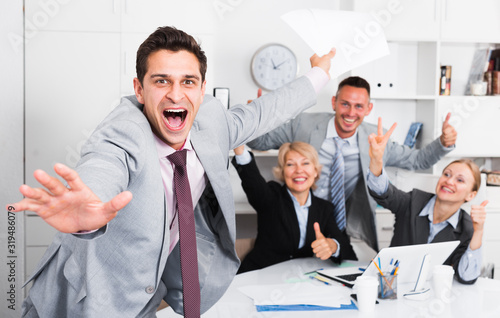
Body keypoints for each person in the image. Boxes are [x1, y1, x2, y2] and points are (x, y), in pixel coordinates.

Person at [6, 26, 336, 317]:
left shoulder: (211, 121)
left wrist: (319, 73)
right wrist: (90, 204)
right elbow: (103, 164)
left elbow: (265, 112)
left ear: (202, 88)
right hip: (84, 299)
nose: (176, 94)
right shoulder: (121, 133)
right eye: (161, 81)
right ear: (139, 89)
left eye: (187, 82)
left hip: (146, 298)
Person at [247, 76, 458, 253]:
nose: (350, 113)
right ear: (334, 102)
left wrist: (443, 143)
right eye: (345, 104)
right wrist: (257, 119)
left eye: (359, 106)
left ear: (368, 109)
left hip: (344, 223)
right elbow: (259, 142)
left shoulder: (375, 138)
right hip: (297, 217)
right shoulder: (303, 124)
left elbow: (418, 160)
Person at [366, 120, 487, 284]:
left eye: (460, 180)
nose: (449, 181)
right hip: (390, 289)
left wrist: (478, 231)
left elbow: (466, 276)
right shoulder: (413, 201)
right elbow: (383, 192)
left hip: (431, 298)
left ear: (471, 195)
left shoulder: (467, 227)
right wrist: (376, 161)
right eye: (447, 174)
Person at [232, 142, 357, 273]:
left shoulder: (324, 209)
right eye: (290, 164)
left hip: (297, 281)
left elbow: (348, 251)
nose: (298, 170)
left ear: (315, 171)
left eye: (305, 163)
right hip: (259, 276)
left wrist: (333, 246)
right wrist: (240, 151)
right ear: (282, 171)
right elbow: (254, 183)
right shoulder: (271, 196)